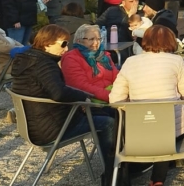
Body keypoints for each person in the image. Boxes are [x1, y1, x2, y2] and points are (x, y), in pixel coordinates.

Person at [11, 24, 117, 186]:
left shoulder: (28, 59)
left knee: (105, 113)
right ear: (47, 43)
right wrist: (83, 97)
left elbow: (57, 90)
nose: (66, 48)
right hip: (52, 127)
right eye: (63, 44)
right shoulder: (44, 64)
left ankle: (118, 166)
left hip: (35, 123)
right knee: (109, 122)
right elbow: (59, 93)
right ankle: (113, 173)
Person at [111, 24, 184, 186]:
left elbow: (115, 100)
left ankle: (148, 174)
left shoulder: (130, 62)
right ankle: (158, 180)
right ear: (171, 41)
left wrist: (136, 110)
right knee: (165, 125)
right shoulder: (176, 61)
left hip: (137, 133)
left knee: (155, 124)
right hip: (169, 133)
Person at [62, 25, 119, 103]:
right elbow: (80, 86)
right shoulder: (71, 58)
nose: (96, 43)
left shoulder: (104, 55)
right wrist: (110, 96)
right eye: (91, 39)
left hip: (113, 98)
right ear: (79, 41)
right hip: (91, 103)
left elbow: (117, 77)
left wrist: (121, 93)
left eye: (98, 39)